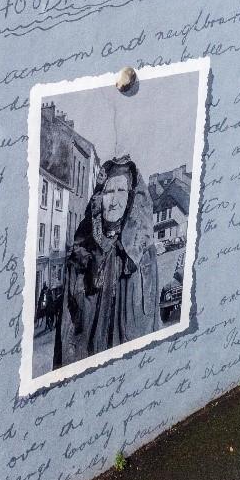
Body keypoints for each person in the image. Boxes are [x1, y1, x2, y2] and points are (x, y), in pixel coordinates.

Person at [54, 155, 159, 369]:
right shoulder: (81, 254)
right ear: (99, 198)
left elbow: (152, 321)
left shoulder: (143, 255)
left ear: (131, 197)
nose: (114, 200)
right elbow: (66, 327)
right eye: (109, 192)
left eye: (121, 191)